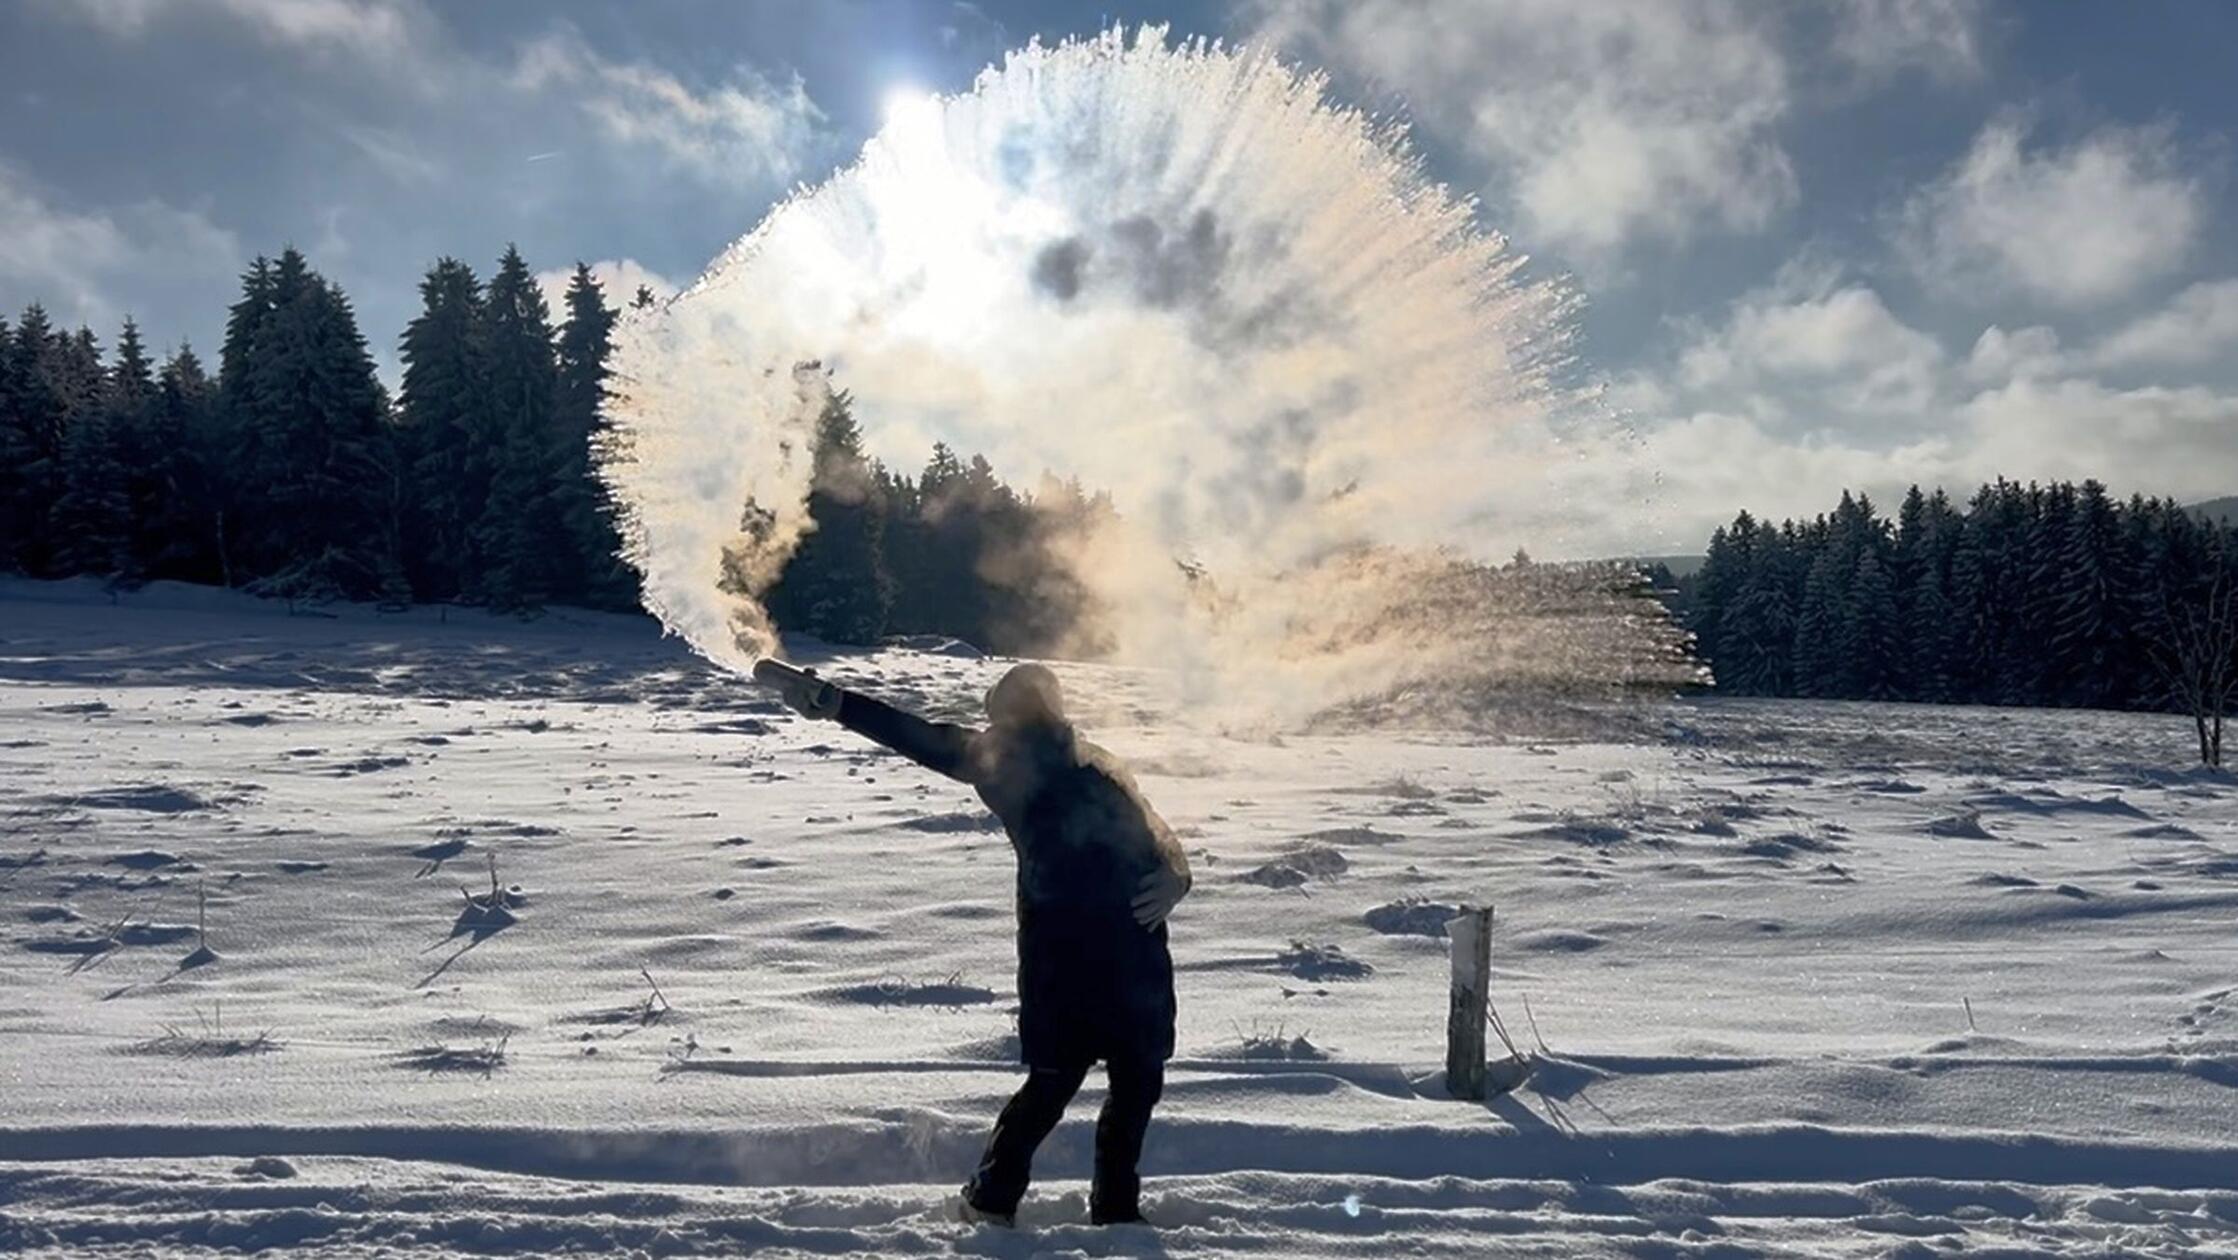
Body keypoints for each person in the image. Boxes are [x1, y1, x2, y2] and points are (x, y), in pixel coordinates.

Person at [769, 661, 1192, 1227]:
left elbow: (1160, 834)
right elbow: (918, 736)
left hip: (1097, 955)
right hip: (1099, 953)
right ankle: (1097, 1209)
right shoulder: (1016, 763)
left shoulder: (1078, 763)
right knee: (1120, 1084)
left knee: (1072, 1083)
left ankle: (1001, 1201)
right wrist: (1176, 876)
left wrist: (1176, 876)